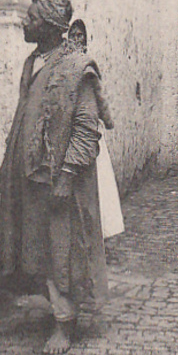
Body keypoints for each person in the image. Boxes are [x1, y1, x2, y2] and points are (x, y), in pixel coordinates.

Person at [0, 0, 108, 354]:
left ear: (50, 26)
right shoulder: (33, 62)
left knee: (63, 246)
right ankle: (56, 309)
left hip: (62, 178)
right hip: (30, 174)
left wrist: (66, 176)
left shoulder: (78, 67)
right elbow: (22, 115)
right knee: (37, 243)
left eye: (31, 18)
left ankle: (65, 323)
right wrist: (7, 167)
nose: (24, 23)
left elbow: (86, 128)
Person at [68, 17, 124, 240]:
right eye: (73, 35)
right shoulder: (64, 64)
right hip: (71, 132)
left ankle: (101, 232)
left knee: (99, 183)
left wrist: (108, 121)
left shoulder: (88, 66)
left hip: (90, 132)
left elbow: (100, 98)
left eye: (80, 36)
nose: (76, 39)